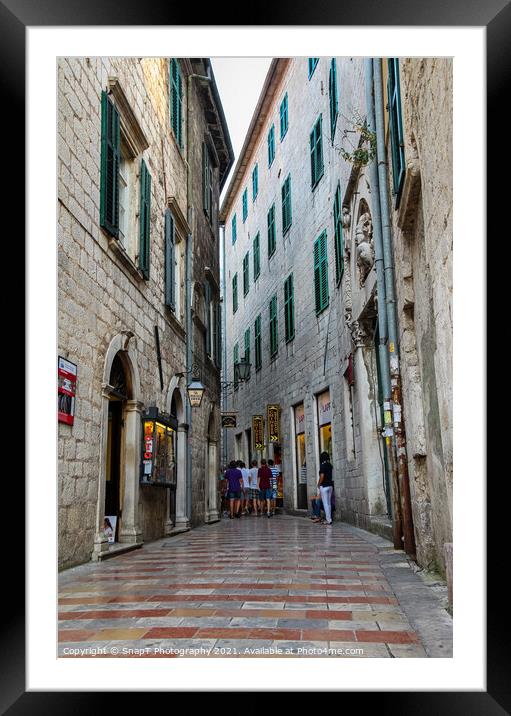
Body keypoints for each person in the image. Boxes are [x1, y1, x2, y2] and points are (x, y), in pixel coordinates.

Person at [318, 451, 334, 525]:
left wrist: (318, 484)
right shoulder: (330, 465)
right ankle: (329, 518)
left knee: (325, 503)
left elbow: (322, 476)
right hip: (330, 486)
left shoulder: (322, 466)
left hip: (324, 486)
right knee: (329, 503)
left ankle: (328, 520)